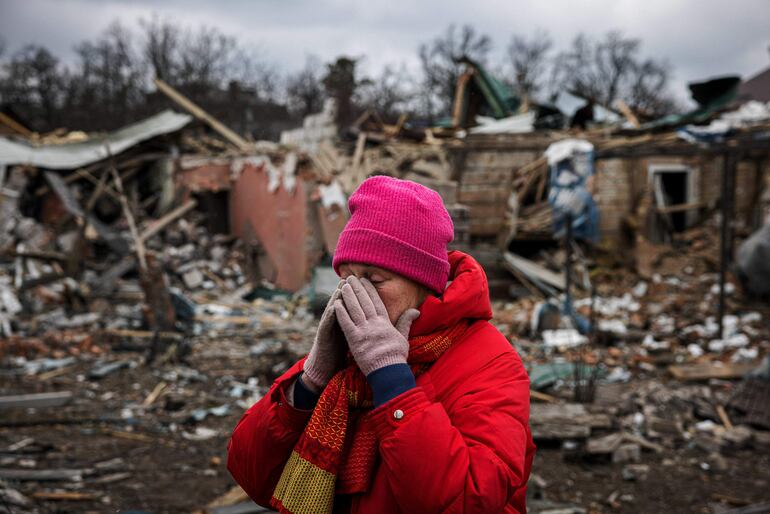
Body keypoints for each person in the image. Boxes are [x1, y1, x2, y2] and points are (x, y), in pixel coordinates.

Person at [227, 176, 535, 514]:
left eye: (374, 280)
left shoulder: (491, 362)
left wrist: (392, 380)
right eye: (348, 278)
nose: (357, 294)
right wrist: (310, 381)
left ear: (423, 282)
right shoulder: (346, 356)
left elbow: (468, 500)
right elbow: (251, 474)